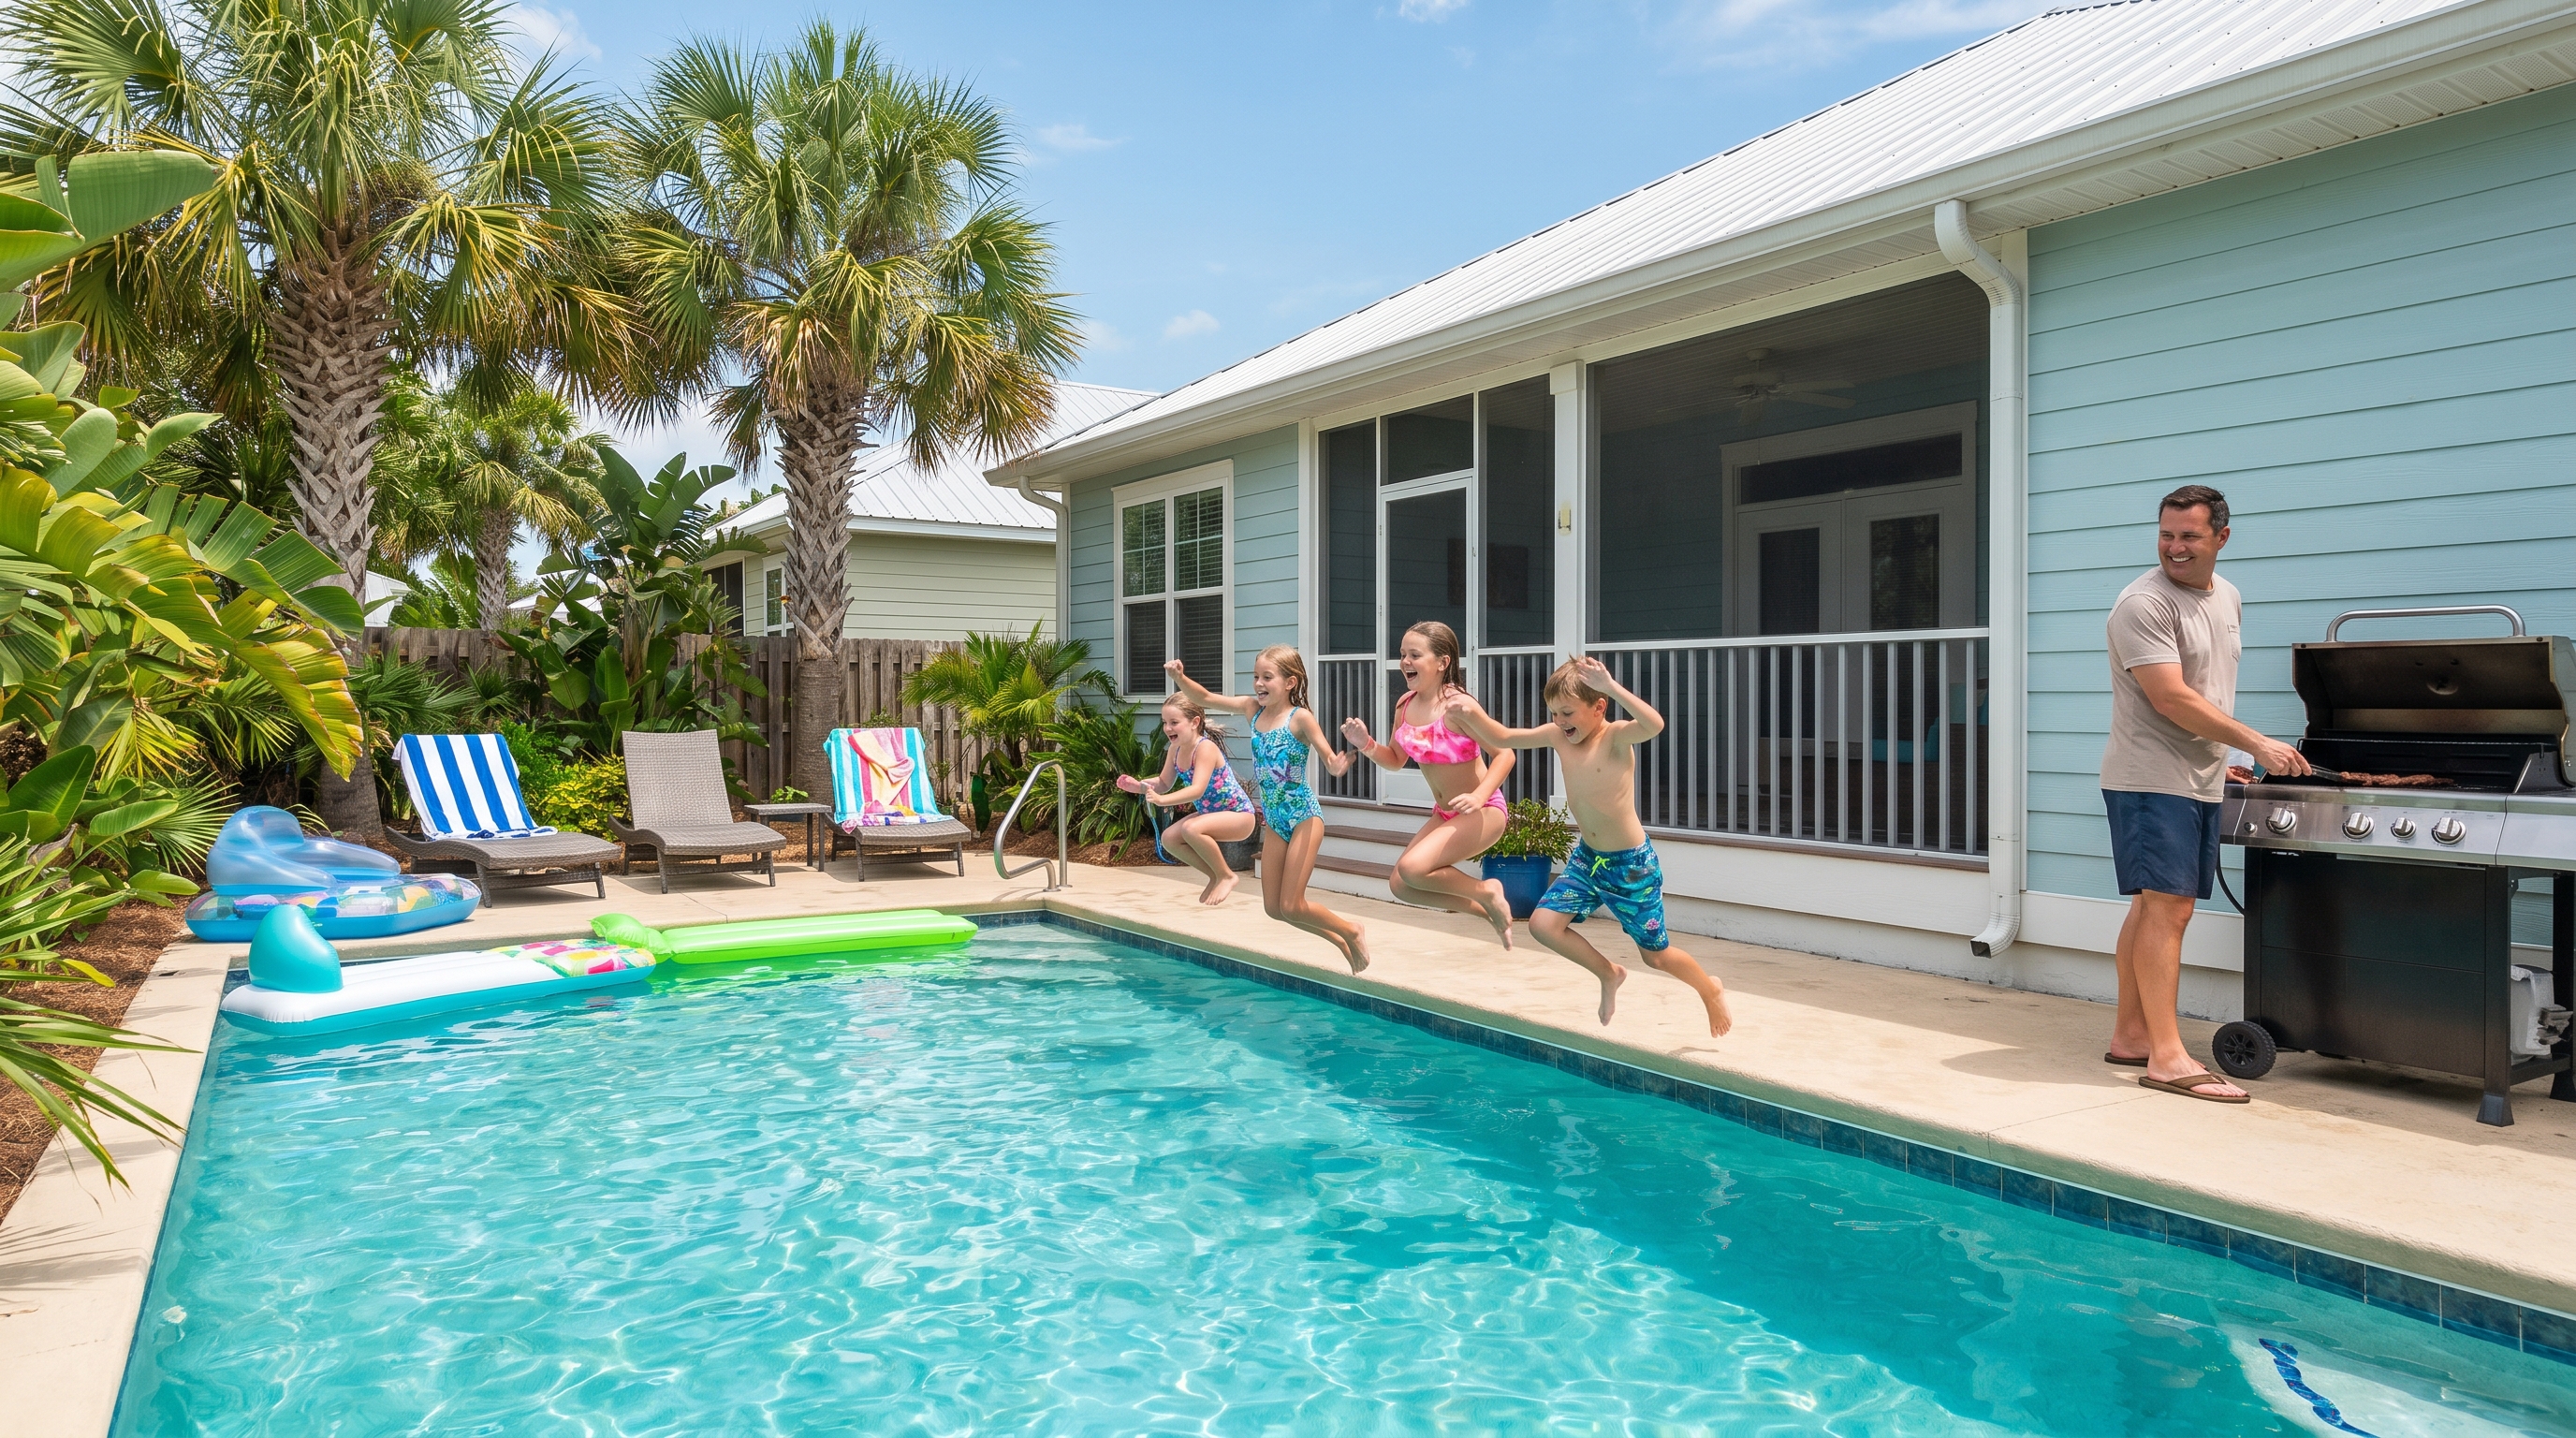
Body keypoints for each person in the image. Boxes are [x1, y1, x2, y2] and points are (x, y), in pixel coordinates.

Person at [2101, 483, 2307, 1104]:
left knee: (2152, 907)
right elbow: (2171, 697)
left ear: (2221, 537)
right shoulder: (2143, 604)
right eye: (2166, 534)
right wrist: (2259, 742)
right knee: (2169, 909)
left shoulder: (2227, 597)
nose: (2175, 547)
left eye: (2189, 535)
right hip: (2150, 776)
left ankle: (2133, 1034)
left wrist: (2233, 757)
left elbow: (2210, 689)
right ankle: (2165, 1057)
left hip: (2198, 774)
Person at [1456, 656, 1733, 1036]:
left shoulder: (1616, 737)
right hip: (1589, 859)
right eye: (1553, 713)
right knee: (1543, 925)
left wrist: (1612, 686)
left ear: (1599, 706)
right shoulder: (1557, 737)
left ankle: (1709, 989)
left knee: (1656, 957)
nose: (1559, 721)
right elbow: (1503, 737)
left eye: (1567, 712)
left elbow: (1655, 724)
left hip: (1632, 866)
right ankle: (1608, 973)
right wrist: (1467, 711)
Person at [1165, 649, 1372, 973]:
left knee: (1293, 903)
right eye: (1256, 677)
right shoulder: (1252, 710)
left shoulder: (1300, 718)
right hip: (1275, 821)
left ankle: (1351, 930)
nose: (1259, 684)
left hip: (1303, 816)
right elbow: (1203, 697)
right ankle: (1342, 940)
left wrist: (1339, 763)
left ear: (1290, 682)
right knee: (1276, 909)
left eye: (1267, 677)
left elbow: (1330, 760)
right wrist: (1180, 679)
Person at [1339, 621, 1518, 947]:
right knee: (1401, 884)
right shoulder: (1405, 705)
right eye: (1403, 654)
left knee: (1412, 868)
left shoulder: (1459, 707)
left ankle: (1487, 890)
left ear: (1442, 662)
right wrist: (1366, 744)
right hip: (1446, 812)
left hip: (1484, 810)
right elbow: (1394, 759)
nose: (1405, 662)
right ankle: (1485, 909)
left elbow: (1504, 753)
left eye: (1415, 655)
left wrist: (1480, 796)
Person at [1117, 694, 1258, 905]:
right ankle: (1214, 875)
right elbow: (1164, 782)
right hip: (1211, 815)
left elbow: (1197, 790)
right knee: (1169, 839)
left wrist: (1163, 801)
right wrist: (1139, 786)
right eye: (1165, 722)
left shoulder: (1205, 748)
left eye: (1174, 723)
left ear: (1194, 723)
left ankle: (1226, 875)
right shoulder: (1175, 749)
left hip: (1239, 816)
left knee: (1191, 829)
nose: (1167, 728)